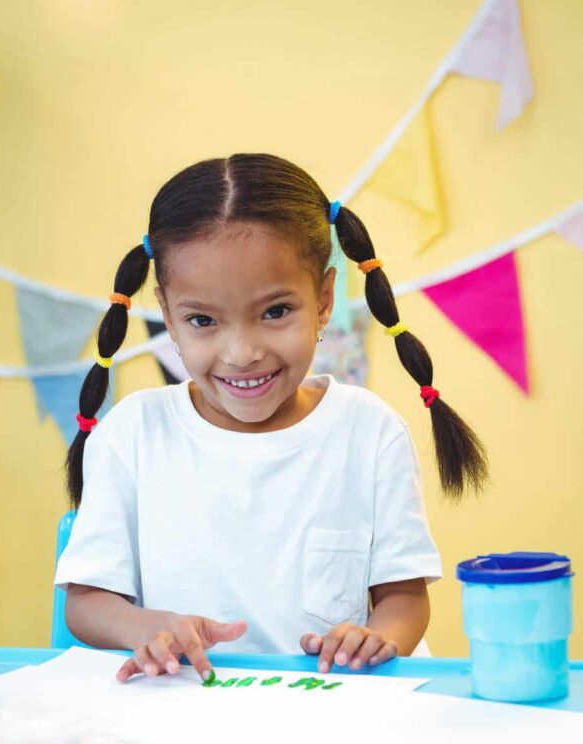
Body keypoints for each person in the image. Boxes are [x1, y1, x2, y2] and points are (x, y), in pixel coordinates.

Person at [54, 153, 488, 684]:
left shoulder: (369, 432)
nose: (242, 352)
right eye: (202, 320)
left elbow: (403, 598)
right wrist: (141, 625)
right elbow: (86, 601)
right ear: (167, 315)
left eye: (275, 312)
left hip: (343, 712)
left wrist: (377, 639)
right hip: (191, 716)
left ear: (324, 299)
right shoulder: (133, 433)